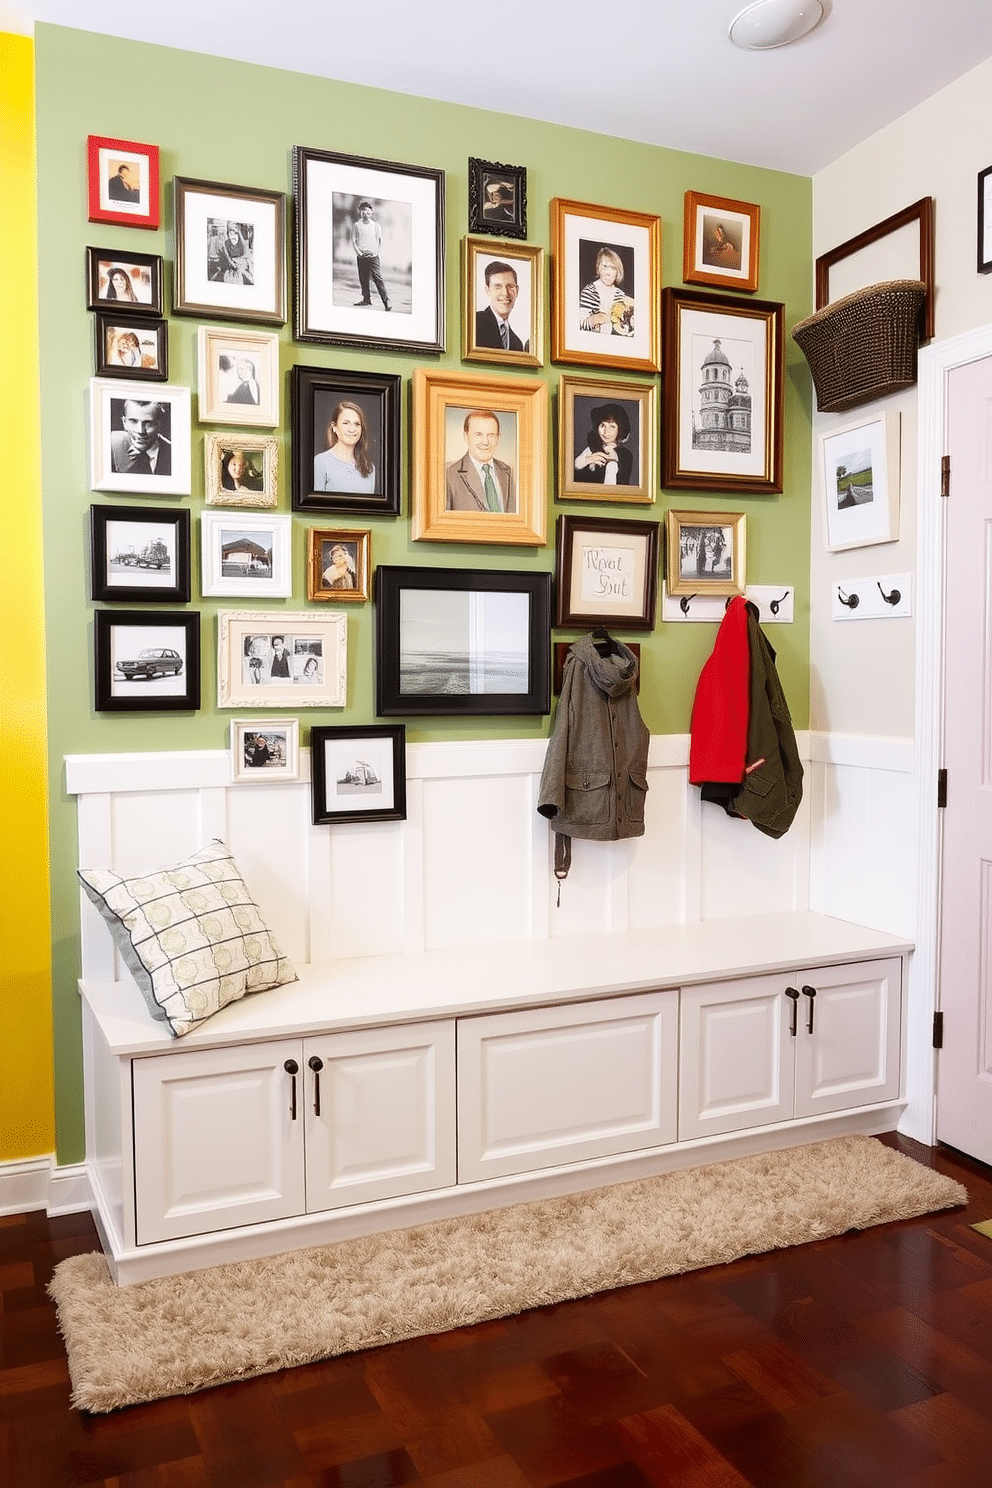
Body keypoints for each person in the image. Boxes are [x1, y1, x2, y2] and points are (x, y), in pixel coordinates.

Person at [445, 409, 515, 513]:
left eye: (491, 435)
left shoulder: (508, 472)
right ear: (466, 437)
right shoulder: (450, 474)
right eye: (478, 434)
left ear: (498, 439)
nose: (485, 442)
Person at [313, 400, 376, 494]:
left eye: (357, 424)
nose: (352, 429)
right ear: (334, 427)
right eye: (346, 423)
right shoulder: (320, 462)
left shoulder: (369, 468)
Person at [579, 247, 634, 335]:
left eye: (613, 268)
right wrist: (594, 320)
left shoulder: (621, 296)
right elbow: (579, 325)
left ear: (618, 271)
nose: (608, 272)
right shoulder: (589, 291)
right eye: (605, 266)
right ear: (598, 268)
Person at [574, 403, 633, 486]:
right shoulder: (592, 448)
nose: (606, 432)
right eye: (602, 425)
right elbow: (573, 471)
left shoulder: (625, 454)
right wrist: (588, 460)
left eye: (612, 427)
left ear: (620, 429)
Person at [475, 260, 527, 353]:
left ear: (517, 290)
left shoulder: (517, 344)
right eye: (498, 286)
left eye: (510, 286)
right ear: (487, 290)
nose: (505, 293)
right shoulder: (474, 323)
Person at [110, 399, 171, 476]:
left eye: (148, 423)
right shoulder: (111, 445)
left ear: (160, 424)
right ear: (124, 422)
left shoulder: (174, 452)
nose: (140, 431)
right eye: (133, 421)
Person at [351, 200, 391, 311]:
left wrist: (376, 252)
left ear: (371, 213)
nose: (366, 215)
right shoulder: (356, 225)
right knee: (363, 278)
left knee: (378, 279)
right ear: (360, 213)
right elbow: (354, 241)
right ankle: (366, 299)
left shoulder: (376, 226)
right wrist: (359, 253)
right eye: (363, 213)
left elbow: (379, 241)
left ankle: (386, 301)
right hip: (361, 256)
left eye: (368, 213)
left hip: (373, 257)